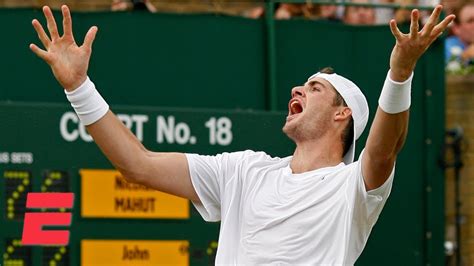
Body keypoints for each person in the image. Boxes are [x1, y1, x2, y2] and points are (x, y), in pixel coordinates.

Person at [29, 5, 454, 264]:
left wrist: (400, 73)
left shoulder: (352, 186)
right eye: (301, 85)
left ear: (343, 115)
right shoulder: (244, 170)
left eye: (314, 88)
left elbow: (385, 149)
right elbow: (137, 165)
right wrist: (78, 87)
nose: (297, 90)